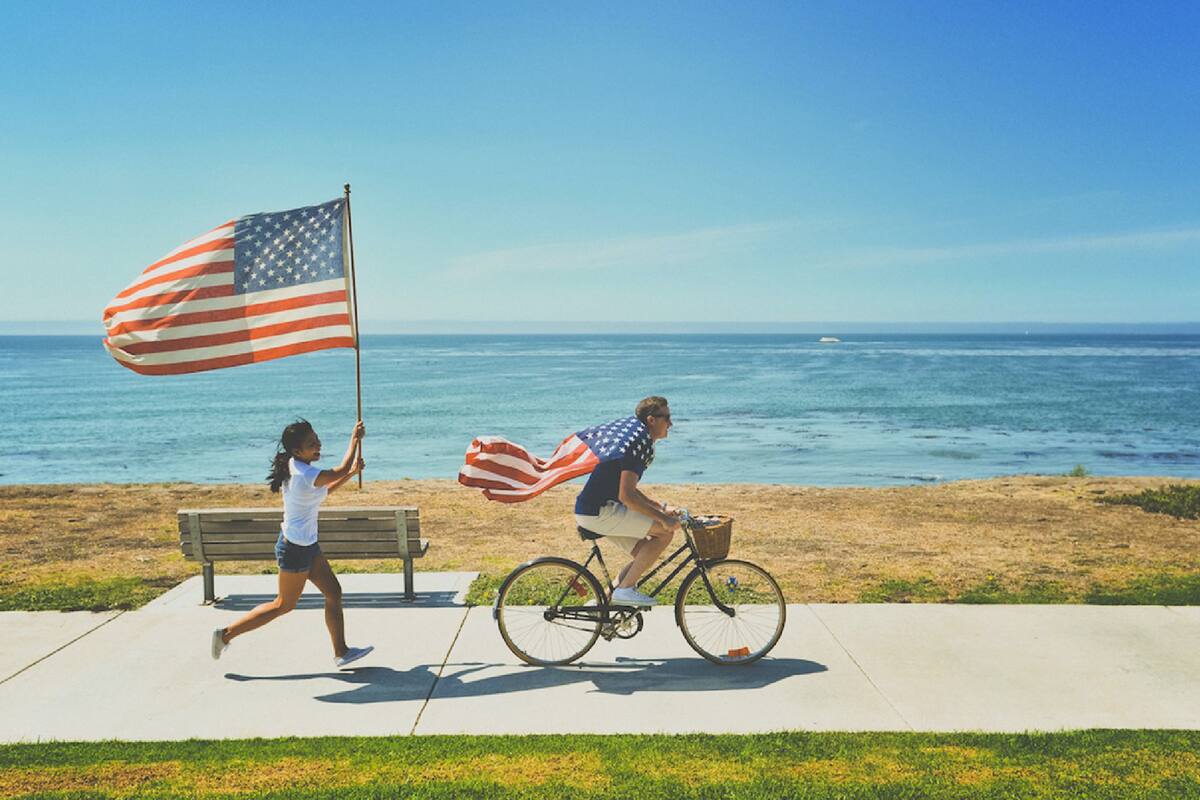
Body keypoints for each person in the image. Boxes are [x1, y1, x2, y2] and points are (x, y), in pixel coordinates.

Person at [210, 419, 374, 668]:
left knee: (333, 592)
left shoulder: (298, 466)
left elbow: (325, 490)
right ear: (297, 451)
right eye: (311, 444)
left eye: (317, 439)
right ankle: (225, 635)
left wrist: (351, 473)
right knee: (283, 605)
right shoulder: (303, 473)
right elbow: (337, 471)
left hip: (307, 545)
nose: (318, 445)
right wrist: (354, 440)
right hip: (294, 549)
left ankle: (341, 651)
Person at [573, 396, 679, 607]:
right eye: (667, 417)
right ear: (651, 420)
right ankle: (624, 590)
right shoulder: (637, 444)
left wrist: (661, 508)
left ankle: (602, 604)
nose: (671, 423)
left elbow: (630, 492)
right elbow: (627, 497)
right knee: (665, 533)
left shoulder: (636, 438)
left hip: (595, 510)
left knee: (644, 553)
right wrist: (663, 520)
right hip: (599, 512)